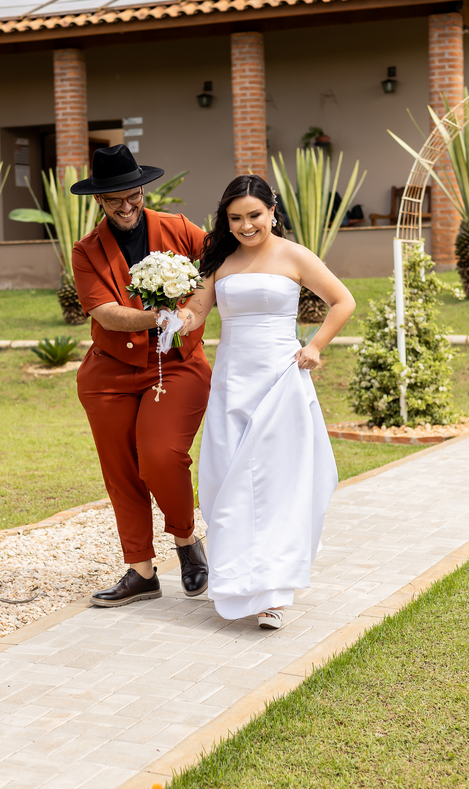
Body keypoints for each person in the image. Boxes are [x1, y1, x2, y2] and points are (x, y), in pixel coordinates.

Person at [174, 175, 355, 629]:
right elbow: (197, 312)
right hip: (233, 382)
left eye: (254, 215)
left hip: (280, 379)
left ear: (272, 211)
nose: (246, 225)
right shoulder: (219, 260)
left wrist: (314, 346)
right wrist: (175, 314)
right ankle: (236, 580)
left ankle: (273, 594)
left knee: (275, 483)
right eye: (235, 218)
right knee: (226, 483)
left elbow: (342, 301)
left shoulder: (294, 255)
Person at [70, 144, 211, 608]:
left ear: (143, 188)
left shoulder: (180, 229)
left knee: (159, 456)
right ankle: (141, 570)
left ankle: (187, 539)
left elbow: (217, 268)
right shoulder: (87, 250)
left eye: (133, 195)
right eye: (115, 200)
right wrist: (157, 317)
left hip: (175, 366)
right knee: (121, 471)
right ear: (99, 202)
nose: (127, 206)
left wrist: (188, 313)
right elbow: (107, 314)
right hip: (108, 374)